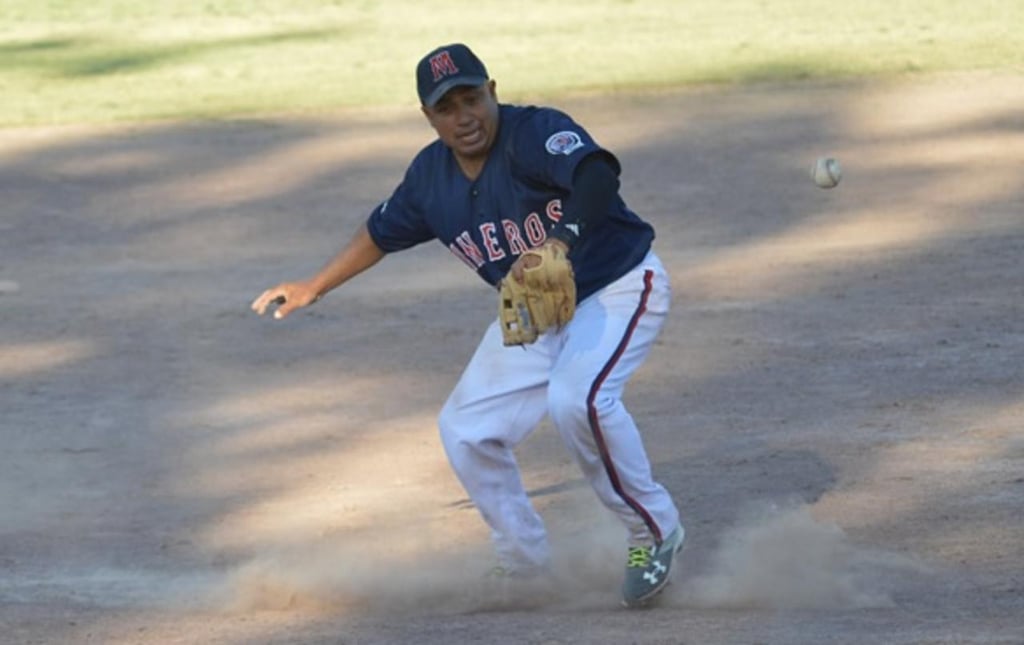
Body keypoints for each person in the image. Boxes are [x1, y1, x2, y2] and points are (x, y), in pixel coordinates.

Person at [251, 43, 683, 608]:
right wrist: (315, 285)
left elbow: (597, 175)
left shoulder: (533, 133)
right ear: (429, 118)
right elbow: (381, 232)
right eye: (447, 107)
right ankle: (525, 562)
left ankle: (652, 531)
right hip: (538, 312)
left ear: (493, 92)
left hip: (616, 286)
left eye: (472, 98)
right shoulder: (430, 178)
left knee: (579, 401)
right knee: (465, 428)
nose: (465, 116)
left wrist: (562, 238)